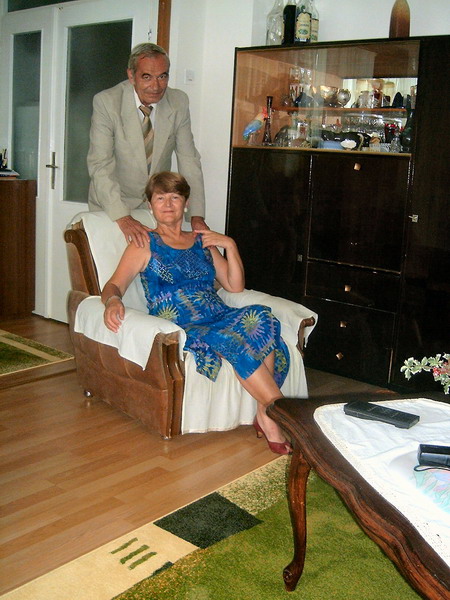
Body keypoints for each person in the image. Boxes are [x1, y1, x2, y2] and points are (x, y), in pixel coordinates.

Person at [102, 171, 292, 455]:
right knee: (232, 339)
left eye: (175, 197)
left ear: (186, 204)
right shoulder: (144, 244)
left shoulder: (201, 241)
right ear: (150, 205)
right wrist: (112, 301)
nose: (168, 204)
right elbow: (113, 285)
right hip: (184, 324)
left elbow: (234, 286)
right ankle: (282, 416)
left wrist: (230, 245)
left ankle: (264, 412)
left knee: (263, 317)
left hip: (217, 314)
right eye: (160, 198)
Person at [87, 43, 207, 248]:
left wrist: (196, 216)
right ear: (131, 76)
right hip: (113, 206)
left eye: (162, 76)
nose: (156, 86)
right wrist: (123, 217)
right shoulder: (107, 102)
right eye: (147, 77)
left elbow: (189, 160)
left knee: (154, 265)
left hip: (156, 208)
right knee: (115, 265)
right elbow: (100, 164)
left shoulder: (178, 102)